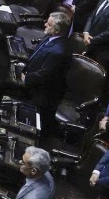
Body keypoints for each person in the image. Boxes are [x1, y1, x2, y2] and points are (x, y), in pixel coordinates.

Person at [20, 12, 71, 140]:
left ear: (57, 29)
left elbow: (44, 75)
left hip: (44, 93)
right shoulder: (50, 37)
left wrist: (27, 78)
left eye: (48, 24)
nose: (44, 24)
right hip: (33, 79)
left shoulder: (59, 51)